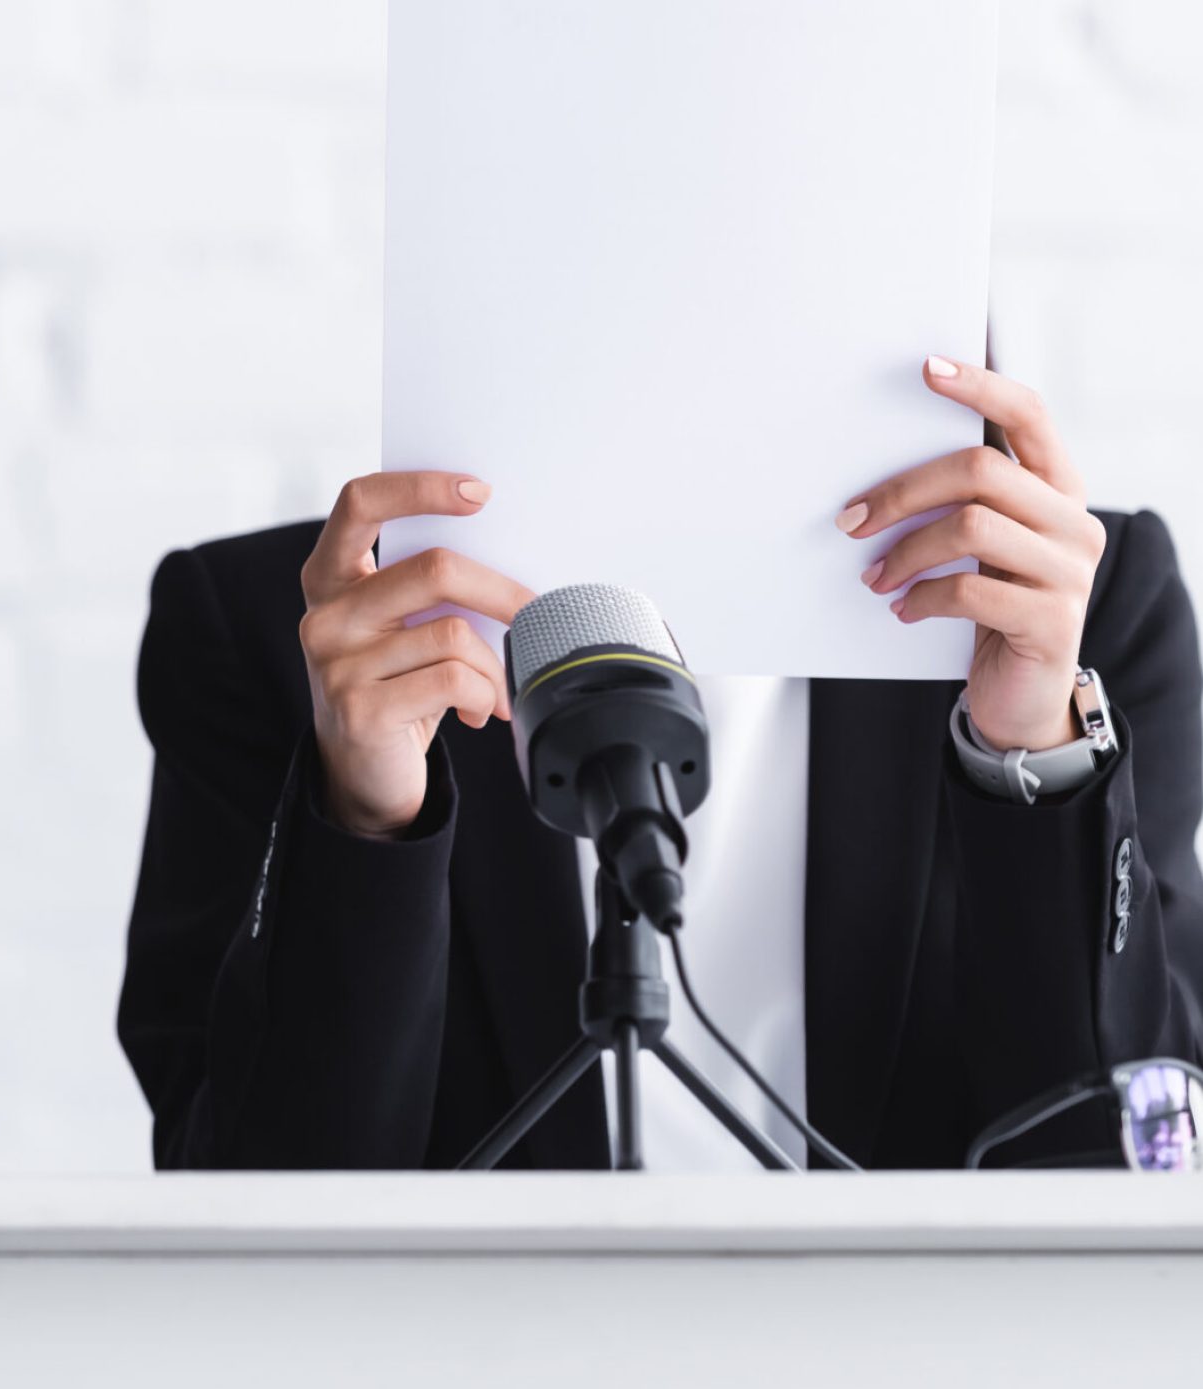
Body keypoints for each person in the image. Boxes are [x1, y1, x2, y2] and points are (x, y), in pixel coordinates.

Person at [117, 357, 1203, 1171]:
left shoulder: (1078, 613)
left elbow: (1133, 1169)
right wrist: (365, 815)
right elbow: (242, 1211)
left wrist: (1031, 754)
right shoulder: (295, 637)